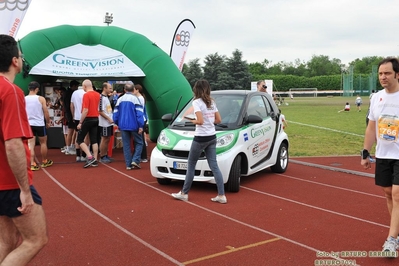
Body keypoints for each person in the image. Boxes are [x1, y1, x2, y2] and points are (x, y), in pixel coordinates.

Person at [0, 34, 48, 265]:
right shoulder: (9, 91)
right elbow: (12, 144)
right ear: (14, 61)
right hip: (8, 182)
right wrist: (24, 190)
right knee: (36, 239)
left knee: (6, 242)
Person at [361, 57, 399, 255]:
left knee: (397, 193)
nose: (383, 77)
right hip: (383, 153)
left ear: (397, 75)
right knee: (387, 192)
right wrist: (365, 152)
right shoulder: (376, 98)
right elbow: (371, 127)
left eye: (388, 73)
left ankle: (391, 240)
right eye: (381, 74)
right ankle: (397, 231)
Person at [171, 79, 227, 204]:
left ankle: (184, 193)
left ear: (196, 89)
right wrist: (208, 122)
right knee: (214, 166)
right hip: (212, 136)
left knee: (191, 164)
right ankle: (221, 195)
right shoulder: (211, 102)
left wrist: (191, 120)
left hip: (200, 137)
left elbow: (200, 121)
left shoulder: (196, 102)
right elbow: (219, 120)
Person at [113, 82, 144, 170]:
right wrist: (141, 125)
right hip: (134, 125)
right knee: (139, 142)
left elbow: (115, 113)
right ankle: (135, 160)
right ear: (133, 89)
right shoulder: (136, 99)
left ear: (124, 90)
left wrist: (117, 123)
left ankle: (128, 164)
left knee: (126, 144)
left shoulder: (120, 99)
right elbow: (139, 113)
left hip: (122, 125)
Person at [25, 81, 53, 170]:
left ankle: (32, 163)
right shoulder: (41, 99)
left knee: (30, 144)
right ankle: (44, 161)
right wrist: (48, 121)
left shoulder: (24, 99)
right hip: (39, 124)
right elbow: (46, 111)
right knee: (43, 143)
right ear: (37, 89)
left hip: (29, 124)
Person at [76, 79, 100, 168]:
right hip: (96, 118)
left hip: (88, 119)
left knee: (79, 139)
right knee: (94, 140)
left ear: (85, 86)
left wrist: (80, 122)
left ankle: (90, 157)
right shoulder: (98, 94)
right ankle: (95, 159)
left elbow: (85, 110)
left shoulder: (86, 95)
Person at [98, 82, 114, 163]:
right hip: (104, 123)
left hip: (109, 122)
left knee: (108, 138)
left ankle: (105, 154)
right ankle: (102, 156)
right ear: (104, 88)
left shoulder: (106, 97)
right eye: (109, 88)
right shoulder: (101, 98)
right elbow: (100, 111)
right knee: (104, 139)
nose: (111, 89)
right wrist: (108, 118)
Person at [63, 80, 80, 155]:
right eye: (76, 86)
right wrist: (71, 115)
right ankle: (68, 148)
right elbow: (70, 106)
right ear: (73, 86)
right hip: (70, 114)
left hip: (70, 114)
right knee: (70, 131)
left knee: (74, 131)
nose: (77, 88)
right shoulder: (69, 93)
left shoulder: (69, 93)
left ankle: (71, 146)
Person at [70, 84, 86, 162]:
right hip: (85, 116)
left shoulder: (74, 93)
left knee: (77, 135)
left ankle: (77, 155)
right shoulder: (86, 93)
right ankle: (84, 155)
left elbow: (71, 105)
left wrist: (73, 115)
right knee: (86, 136)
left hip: (76, 117)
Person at [133, 84, 148, 163]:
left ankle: (143, 156)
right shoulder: (139, 98)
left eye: (134, 90)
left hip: (141, 119)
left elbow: (139, 110)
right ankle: (141, 156)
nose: (133, 91)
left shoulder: (140, 98)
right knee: (140, 138)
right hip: (141, 119)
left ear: (137, 90)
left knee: (140, 139)